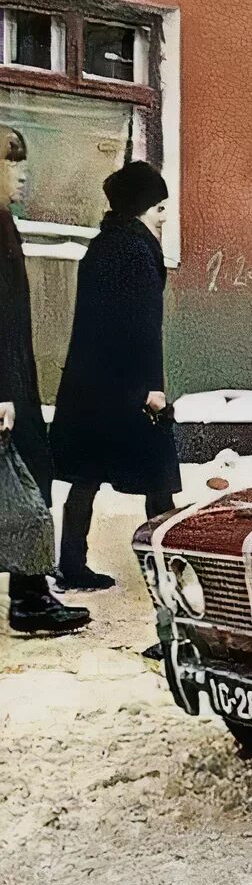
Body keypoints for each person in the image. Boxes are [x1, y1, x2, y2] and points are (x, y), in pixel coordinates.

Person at [49, 162, 181, 593]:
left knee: (87, 475)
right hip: (129, 389)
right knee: (159, 480)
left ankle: (71, 562)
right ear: (142, 207)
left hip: (92, 386)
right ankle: (172, 574)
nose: (164, 216)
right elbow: (143, 327)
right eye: (160, 207)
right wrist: (152, 389)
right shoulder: (138, 252)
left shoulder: (103, 245)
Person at [0, 126, 87, 636]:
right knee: (30, 478)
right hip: (7, 382)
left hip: (16, 376)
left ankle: (31, 593)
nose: (23, 173)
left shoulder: (5, 222)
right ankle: (30, 599)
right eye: (13, 164)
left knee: (32, 477)